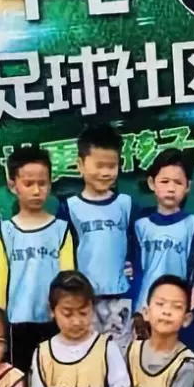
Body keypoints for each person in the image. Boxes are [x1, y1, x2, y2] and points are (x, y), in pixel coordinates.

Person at [130, 148, 194, 350]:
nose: (171, 188)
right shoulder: (140, 226)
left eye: (178, 183)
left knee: (184, 362)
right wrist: (133, 305)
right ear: (152, 183)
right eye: (164, 181)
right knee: (145, 362)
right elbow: (134, 269)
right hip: (146, 311)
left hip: (182, 311)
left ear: (188, 187)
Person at [0, 145, 77, 373]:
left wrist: (66, 312)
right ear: (13, 186)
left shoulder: (61, 229)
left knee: (54, 376)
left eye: (43, 183)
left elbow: (67, 278)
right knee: (18, 379)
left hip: (53, 319)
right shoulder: (5, 231)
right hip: (16, 321)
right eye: (28, 184)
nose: (37, 191)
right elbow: (1, 279)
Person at [58, 126, 135, 353]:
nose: (105, 173)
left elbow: (136, 247)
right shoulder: (70, 208)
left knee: (121, 359)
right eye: (99, 165)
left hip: (121, 298)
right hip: (84, 301)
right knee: (87, 356)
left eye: (112, 166)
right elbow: (63, 254)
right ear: (80, 165)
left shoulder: (126, 204)